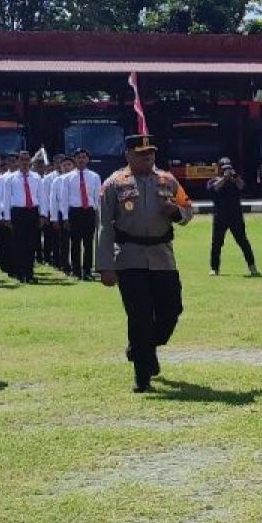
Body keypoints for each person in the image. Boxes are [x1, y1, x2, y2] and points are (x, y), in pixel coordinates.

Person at [97, 134, 194, 392]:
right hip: (129, 258)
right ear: (128, 155)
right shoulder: (114, 184)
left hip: (163, 257)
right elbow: (105, 226)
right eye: (141, 154)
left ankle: (144, 347)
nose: (148, 157)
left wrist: (176, 212)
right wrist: (105, 266)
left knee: (172, 310)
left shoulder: (167, 180)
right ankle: (142, 375)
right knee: (139, 317)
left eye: (150, 153)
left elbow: (188, 209)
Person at [207, 157, 258, 277]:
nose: (227, 171)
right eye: (224, 168)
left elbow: (242, 187)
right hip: (220, 217)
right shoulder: (213, 180)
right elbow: (214, 189)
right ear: (219, 169)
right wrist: (224, 178)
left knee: (243, 242)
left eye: (228, 168)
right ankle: (214, 268)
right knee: (216, 243)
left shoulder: (235, 180)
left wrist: (235, 178)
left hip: (236, 216)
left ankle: (252, 267)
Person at [0, 150, 43, 283]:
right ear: (18, 161)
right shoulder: (10, 178)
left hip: (32, 212)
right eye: (22, 160)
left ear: (30, 161)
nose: (24, 163)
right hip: (17, 213)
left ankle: (29, 273)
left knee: (32, 244)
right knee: (18, 244)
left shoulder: (36, 177)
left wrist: (43, 214)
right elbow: (6, 199)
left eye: (27, 160)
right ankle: (19, 272)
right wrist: (6, 217)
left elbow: (41, 197)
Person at [57, 148, 101, 280]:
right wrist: (65, 216)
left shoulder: (94, 176)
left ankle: (87, 270)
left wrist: (98, 214)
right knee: (75, 242)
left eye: (84, 157)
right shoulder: (67, 178)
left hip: (89, 211)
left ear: (88, 159)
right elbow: (64, 199)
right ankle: (76, 270)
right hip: (74, 211)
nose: (81, 160)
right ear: (75, 160)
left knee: (88, 243)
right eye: (79, 157)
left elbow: (97, 197)